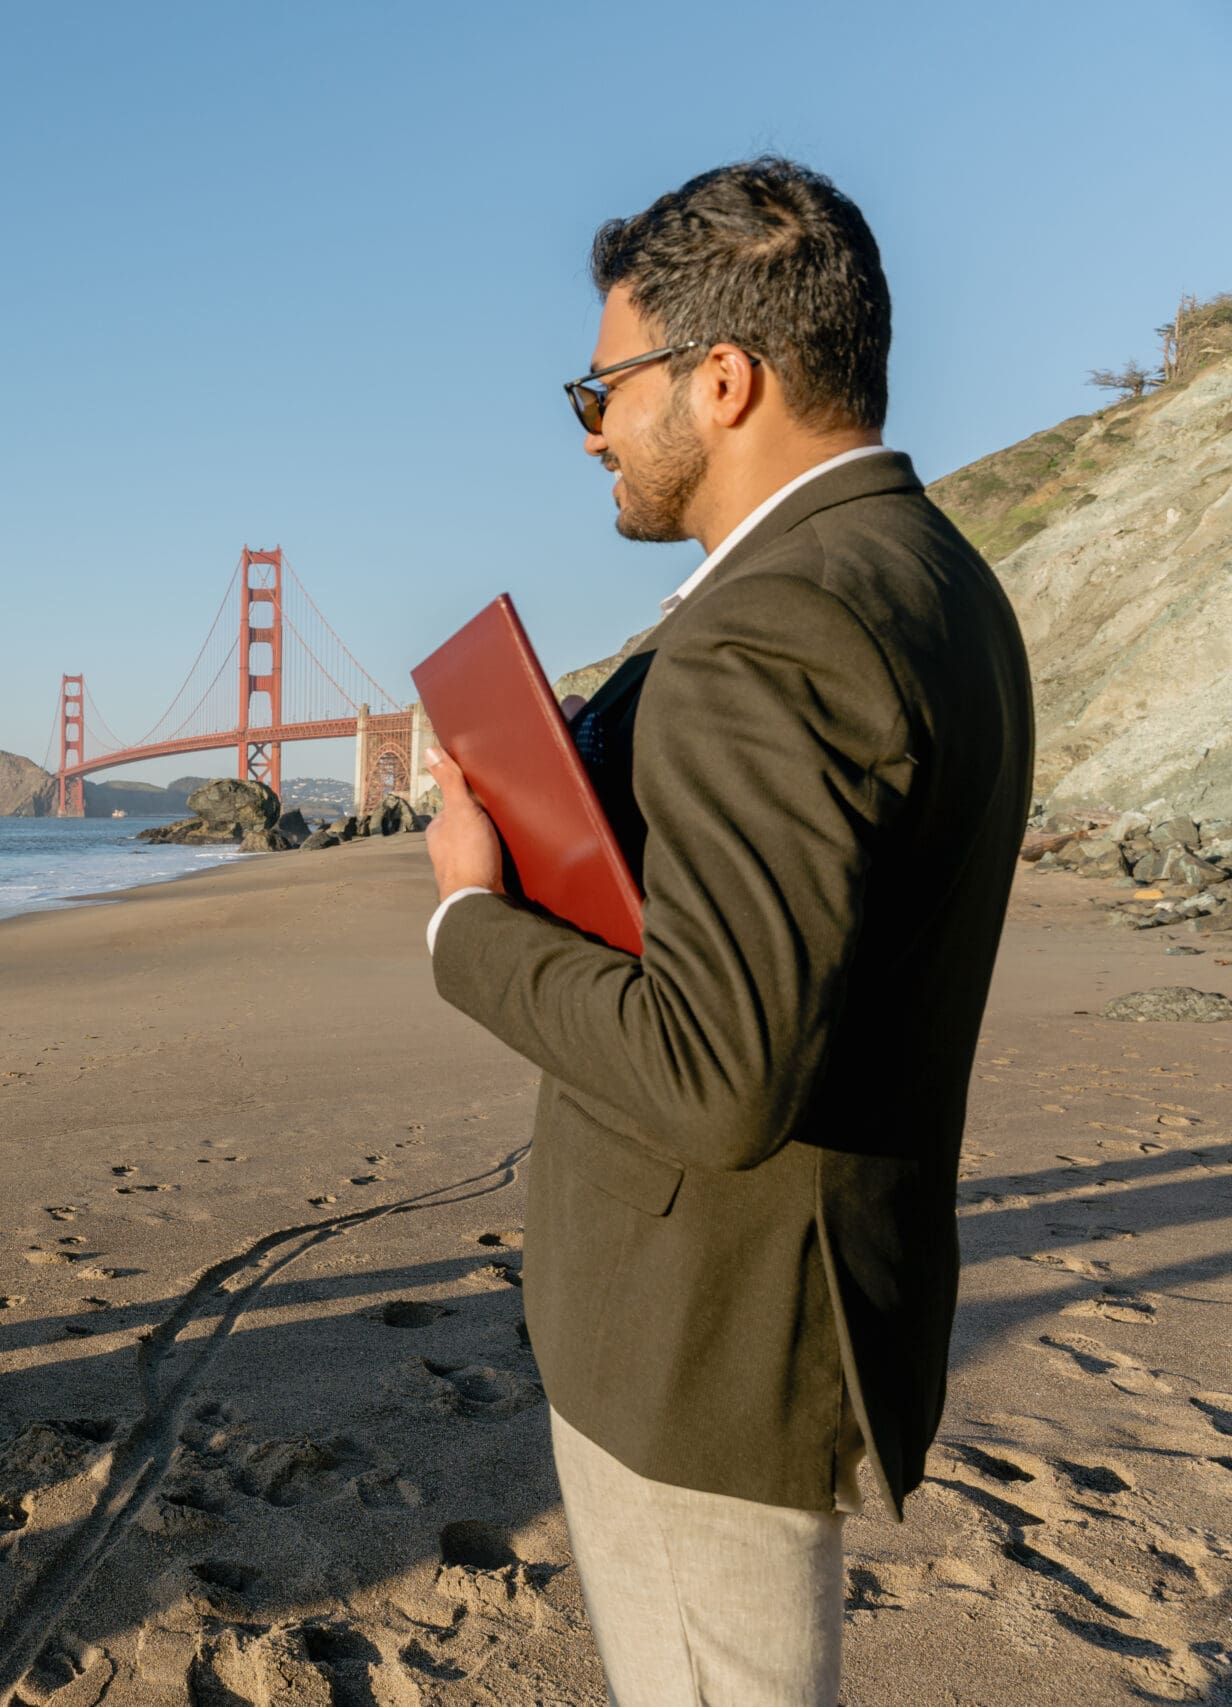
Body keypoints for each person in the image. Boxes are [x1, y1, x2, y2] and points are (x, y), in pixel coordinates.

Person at [422, 158, 1033, 1704]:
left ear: (723, 375)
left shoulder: (773, 630)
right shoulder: (927, 577)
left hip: (707, 1340)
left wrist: (469, 917)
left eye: (603, 384)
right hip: (787, 1305)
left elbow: (718, 1072)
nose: (590, 429)